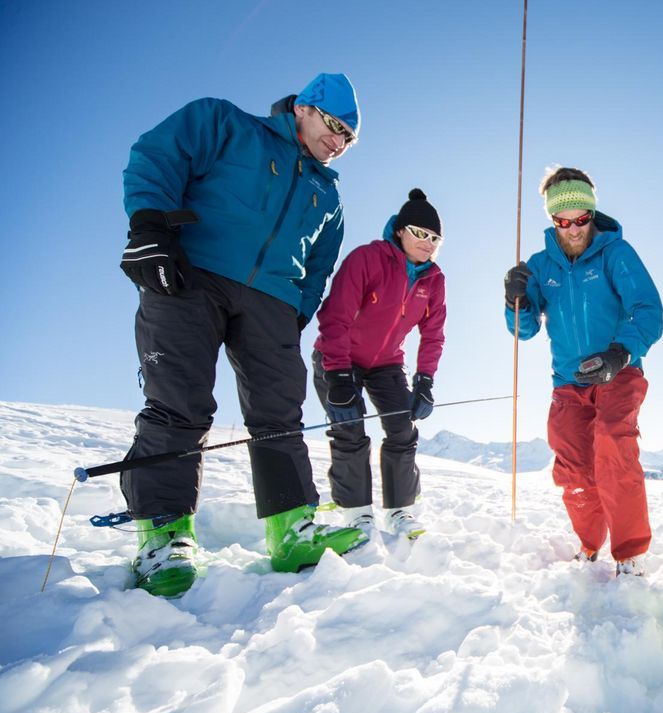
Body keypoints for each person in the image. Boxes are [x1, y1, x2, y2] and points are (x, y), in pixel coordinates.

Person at [118, 73, 366, 597]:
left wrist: (298, 310)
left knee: (280, 413)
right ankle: (163, 534)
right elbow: (159, 154)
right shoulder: (225, 123)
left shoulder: (329, 194)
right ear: (304, 107)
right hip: (192, 274)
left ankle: (292, 527)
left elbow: (321, 264)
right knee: (178, 402)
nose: (339, 143)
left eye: (349, 138)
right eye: (335, 126)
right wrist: (149, 229)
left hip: (272, 301)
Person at [504, 167, 663, 576]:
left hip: (618, 371)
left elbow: (648, 310)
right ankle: (590, 544)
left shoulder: (615, 253)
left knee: (613, 445)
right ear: (552, 219)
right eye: (563, 220)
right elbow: (523, 330)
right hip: (569, 382)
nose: (574, 229)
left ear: (592, 213)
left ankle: (628, 554)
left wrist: (620, 353)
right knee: (573, 468)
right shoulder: (541, 266)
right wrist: (514, 297)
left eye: (582, 218)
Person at [312, 189, 447, 539]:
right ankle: (357, 513)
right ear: (400, 230)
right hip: (339, 356)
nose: (428, 243)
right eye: (420, 233)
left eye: (435, 238)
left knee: (403, 427)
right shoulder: (368, 258)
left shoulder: (433, 280)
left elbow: (433, 334)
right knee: (350, 426)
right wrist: (338, 375)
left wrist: (425, 381)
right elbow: (335, 317)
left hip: (386, 363)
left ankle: (401, 511)